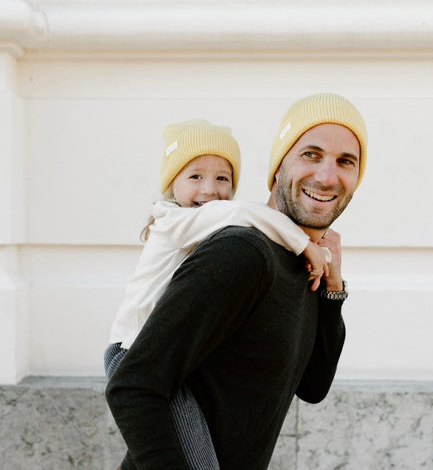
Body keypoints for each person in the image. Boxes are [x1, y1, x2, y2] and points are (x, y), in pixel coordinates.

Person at [106, 93, 368, 470]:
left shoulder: (299, 262)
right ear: (279, 166)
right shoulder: (242, 252)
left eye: (345, 162)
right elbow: (133, 386)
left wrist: (333, 288)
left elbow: (313, 387)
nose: (327, 176)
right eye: (310, 154)